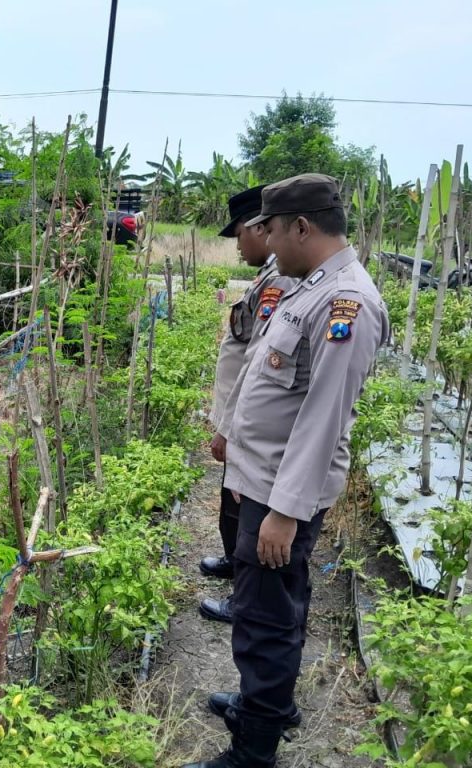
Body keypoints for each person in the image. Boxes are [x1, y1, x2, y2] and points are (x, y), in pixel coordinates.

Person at [184, 174, 390, 768]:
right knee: (273, 606)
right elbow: (264, 374)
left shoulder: (345, 302)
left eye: (271, 230)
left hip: (281, 492)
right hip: (264, 481)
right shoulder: (309, 287)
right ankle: (266, 705)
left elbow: (324, 418)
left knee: (264, 620)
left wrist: (284, 512)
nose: (268, 244)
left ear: (302, 226)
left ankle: (254, 750)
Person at [199, 185, 296, 625]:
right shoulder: (268, 275)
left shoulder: (279, 280)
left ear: (259, 228)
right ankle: (234, 563)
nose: (237, 245)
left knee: (245, 503)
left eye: (239, 234)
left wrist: (230, 426)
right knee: (233, 497)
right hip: (239, 415)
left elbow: (258, 359)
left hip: (250, 420)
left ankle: (245, 592)